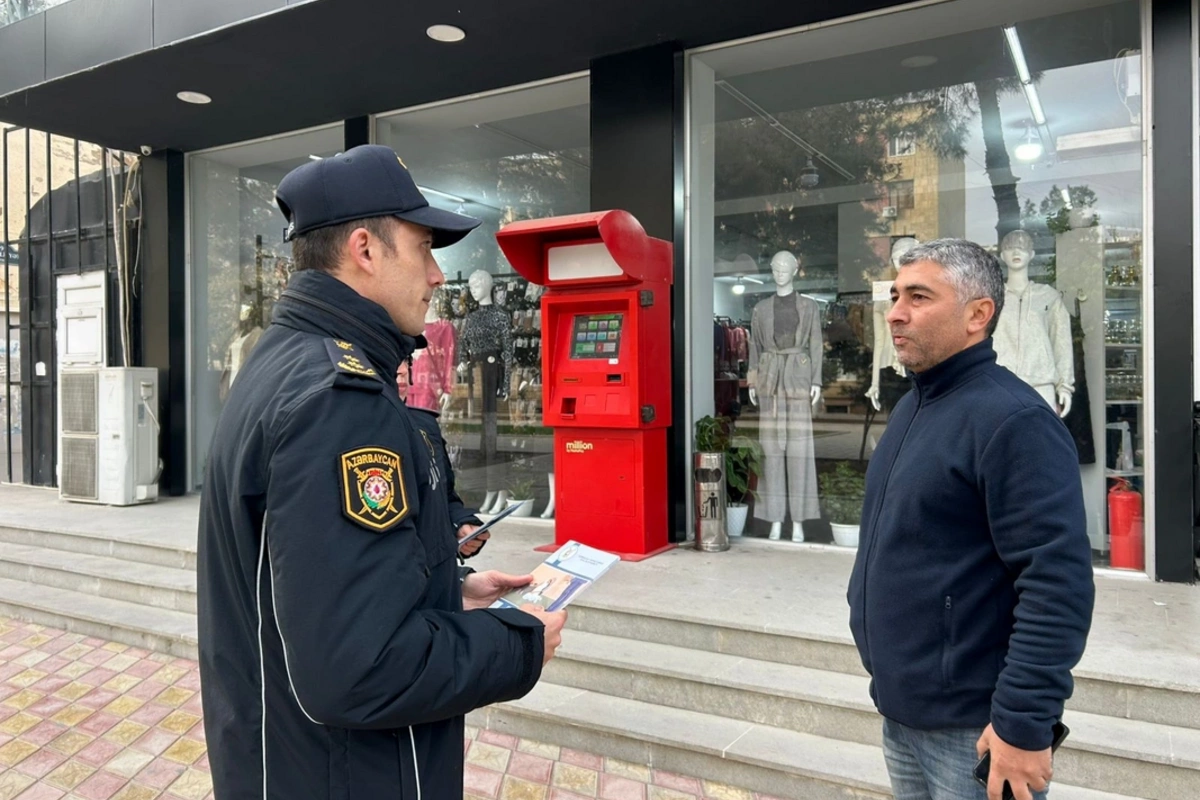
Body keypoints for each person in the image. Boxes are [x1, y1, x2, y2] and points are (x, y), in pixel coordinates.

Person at [197, 144, 566, 800]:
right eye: (424, 249)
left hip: (286, 765)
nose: (437, 276)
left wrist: (447, 592)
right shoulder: (339, 398)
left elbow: (315, 590)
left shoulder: (283, 361)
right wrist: (518, 643)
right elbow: (359, 669)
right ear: (365, 250)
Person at [847, 238, 1094, 800]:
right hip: (902, 713)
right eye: (894, 295)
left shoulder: (1013, 420)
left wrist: (1023, 724)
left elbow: (1056, 583)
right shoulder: (914, 404)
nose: (895, 312)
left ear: (978, 314)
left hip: (975, 732)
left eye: (918, 296)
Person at [397, 356, 488, 559]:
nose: (402, 370)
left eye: (405, 361)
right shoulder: (353, 432)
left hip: (440, 577)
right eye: (392, 360)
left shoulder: (426, 425)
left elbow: (443, 495)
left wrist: (461, 524)